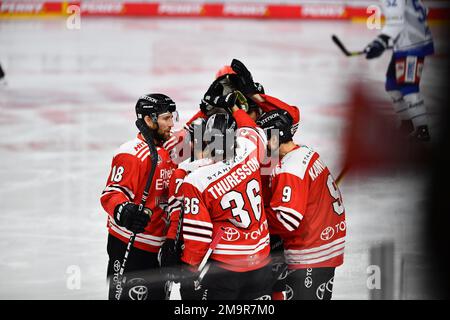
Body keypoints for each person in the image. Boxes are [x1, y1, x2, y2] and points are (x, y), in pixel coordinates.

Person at [178, 89, 273, 300]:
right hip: (261, 261)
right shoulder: (248, 150)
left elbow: (198, 237)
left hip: (224, 269)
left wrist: (190, 270)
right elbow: (252, 129)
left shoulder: (196, 181)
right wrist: (236, 107)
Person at [257, 109, 347, 300]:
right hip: (325, 244)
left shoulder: (289, 169)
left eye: (262, 138)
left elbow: (287, 219)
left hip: (311, 253)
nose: (260, 146)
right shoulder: (307, 152)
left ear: (274, 139)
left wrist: (254, 218)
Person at [100, 93, 177, 300]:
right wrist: (124, 211)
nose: (172, 124)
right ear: (149, 120)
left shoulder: (170, 150)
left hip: (160, 248)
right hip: (132, 245)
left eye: (172, 117)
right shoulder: (131, 153)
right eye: (166, 118)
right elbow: (112, 193)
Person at [364, 0, 434, 141]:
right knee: (392, 85)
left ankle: (422, 129)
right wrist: (385, 42)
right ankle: (406, 124)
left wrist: (380, 42)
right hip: (405, 45)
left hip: (412, 46)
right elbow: (422, 12)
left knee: (408, 86)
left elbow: (396, 22)